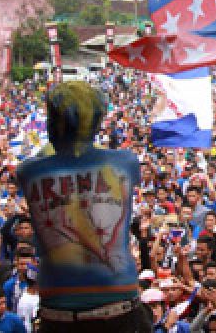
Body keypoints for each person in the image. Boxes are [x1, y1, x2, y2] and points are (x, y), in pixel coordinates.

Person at [15, 82, 150, 332]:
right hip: (119, 309)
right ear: (97, 124)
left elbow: (51, 152)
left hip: (59, 315)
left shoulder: (28, 171)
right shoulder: (126, 162)